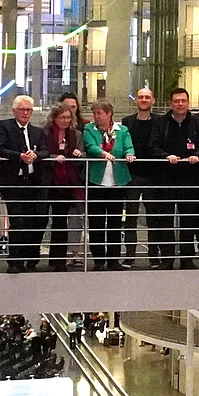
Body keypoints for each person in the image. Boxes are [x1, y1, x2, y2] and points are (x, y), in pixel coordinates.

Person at [150, 88, 199, 269]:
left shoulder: (197, 123)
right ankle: (167, 259)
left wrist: (197, 154)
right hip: (165, 179)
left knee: (188, 221)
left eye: (183, 101)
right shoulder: (160, 123)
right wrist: (165, 156)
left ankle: (187, 259)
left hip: (190, 179)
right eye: (176, 101)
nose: (180, 104)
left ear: (188, 103)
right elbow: (153, 146)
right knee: (166, 221)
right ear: (170, 104)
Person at [0, 95, 49, 273]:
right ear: (14, 110)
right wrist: (19, 156)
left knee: (33, 221)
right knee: (17, 221)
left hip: (32, 182)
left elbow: (45, 150)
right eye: (22, 109)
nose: (26, 113)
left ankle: (29, 259)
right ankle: (14, 262)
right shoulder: (5, 126)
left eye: (29, 110)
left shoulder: (37, 131)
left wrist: (36, 155)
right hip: (13, 181)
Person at [82, 101, 136, 270]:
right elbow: (90, 147)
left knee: (114, 222)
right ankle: (98, 260)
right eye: (95, 113)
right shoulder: (89, 129)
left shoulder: (123, 130)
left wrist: (129, 154)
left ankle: (113, 259)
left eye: (100, 113)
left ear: (109, 113)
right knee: (96, 223)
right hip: (96, 182)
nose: (96, 117)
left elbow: (128, 146)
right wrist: (104, 154)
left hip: (117, 183)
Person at [122, 87, 163, 268]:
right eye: (140, 97)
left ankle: (154, 256)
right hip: (132, 175)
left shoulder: (160, 122)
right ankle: (130, 256)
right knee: (130, 217)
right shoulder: (127, 122)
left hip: (153, 176)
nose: (144, 100)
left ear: (153, 100)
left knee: (153, 217)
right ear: (136, 100)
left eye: (147, 97)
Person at [43, 103, 85, 271]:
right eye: (62, 117)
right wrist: (54, 157)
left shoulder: (76, 134)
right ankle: (31, 258)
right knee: (42, 220)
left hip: (68, 183)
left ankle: (59, 260)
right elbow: (41, 152)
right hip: (49, 181)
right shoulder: (45, 133)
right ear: (54, 118)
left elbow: (84, 153)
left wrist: (80, 154)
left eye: (68, 117)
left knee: (61, 221)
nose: (66, 120)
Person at [56, 91, 87, 267]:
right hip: (58, 182)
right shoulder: (49, 131)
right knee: (59, 219)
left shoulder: (82, 130)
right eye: (66, 108)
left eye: (73, 107)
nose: (69, 112)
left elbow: (86, 151)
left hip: (77, 180)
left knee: (77, 218)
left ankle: (74, 253)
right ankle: (59, 256)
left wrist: (80, 154)